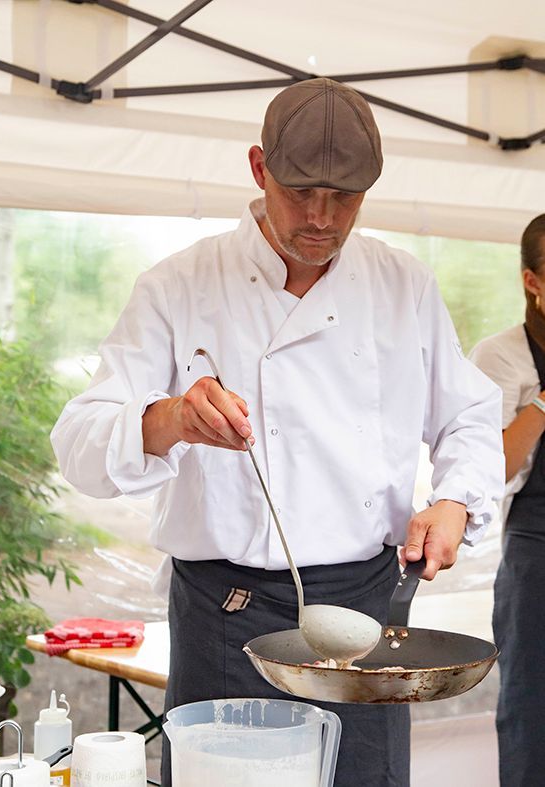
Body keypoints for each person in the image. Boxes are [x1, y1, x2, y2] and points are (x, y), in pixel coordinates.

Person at [51, 78, 504, 787]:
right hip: (224, 615)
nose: (321, 218)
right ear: (259, 169)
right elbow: (77, 445)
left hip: (364, 610)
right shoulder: (180, 285)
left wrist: (454, 501)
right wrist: (168, 419)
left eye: (344, 198)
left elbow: (469, 415)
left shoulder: (401, 284)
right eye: (300, 193)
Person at [470, 214, 545, 787]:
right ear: (533, 281)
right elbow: (491, 468)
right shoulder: (498, 357)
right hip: (535, 551)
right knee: (530, 707)